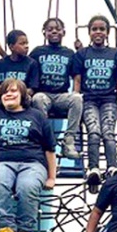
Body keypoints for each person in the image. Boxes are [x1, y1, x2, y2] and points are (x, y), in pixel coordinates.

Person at [0, 77, 56, 232]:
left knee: (27, 186)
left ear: (22, 94)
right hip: (3, 160)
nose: (8, 94)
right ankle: (7, 228)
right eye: (5, 92)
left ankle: (25, 231)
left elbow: (50, 149)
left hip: (33, 162)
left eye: (13, 91)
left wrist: (52, 177)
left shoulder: (37, 116)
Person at [73, 15, 117, 190]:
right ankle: (93, 168)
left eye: (102, 29)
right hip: (88, 99)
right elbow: (78, 80)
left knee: (108, 132)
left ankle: (112, 166)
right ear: (89, 32)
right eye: (94, 29)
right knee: (94, 132)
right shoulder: (82, 54)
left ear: (107, 32)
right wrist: (75, 101)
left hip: (109, 99)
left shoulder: (115, 54)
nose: (98, 32)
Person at [29, 17, 83, 160]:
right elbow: (23, 65)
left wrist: (81, 50)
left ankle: (69, 141)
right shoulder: (37, 52)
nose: (54, 31)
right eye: (50, 29)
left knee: (77, 98)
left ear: (63, 32)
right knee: (38, 99)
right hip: (43, 94)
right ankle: (45, 139)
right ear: (44, 33)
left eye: (57, 29)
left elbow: (77, 76)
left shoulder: (69, 53)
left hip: (61, 95)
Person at [0, 29, 40, 100]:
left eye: (27, 43)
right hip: (4, 97)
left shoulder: (31, 63)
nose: (26, 46)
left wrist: (15, 93)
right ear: (11, 47)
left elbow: (32, 90)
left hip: (21, 98)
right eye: (22, 44)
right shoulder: (0, 64)